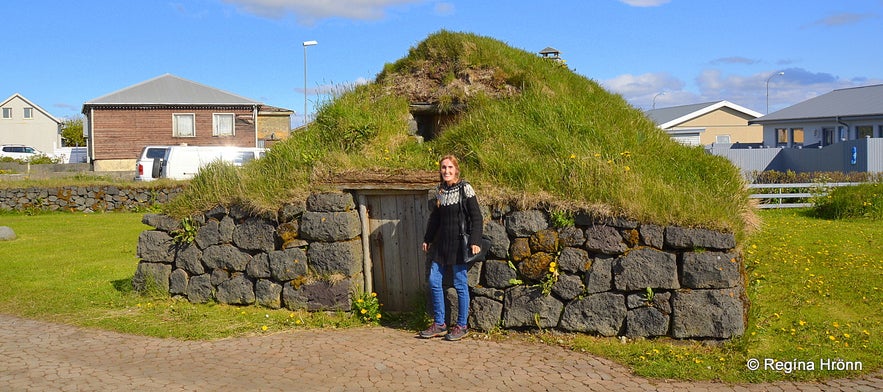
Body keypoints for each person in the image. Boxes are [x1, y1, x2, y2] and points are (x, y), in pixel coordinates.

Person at [420, 155, 483, 341]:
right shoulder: (440, 190)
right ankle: (439, 323)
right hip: (441, 246)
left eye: (449, 167)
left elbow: (476, 217)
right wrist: (428, 238)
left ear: (456, 169)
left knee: (460, 285)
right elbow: (436, 219)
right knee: (433, 280)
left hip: (458, 246)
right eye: (443, 168)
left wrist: (475, 241)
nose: (446, 171)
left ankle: (462, 325)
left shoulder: (465, 188)